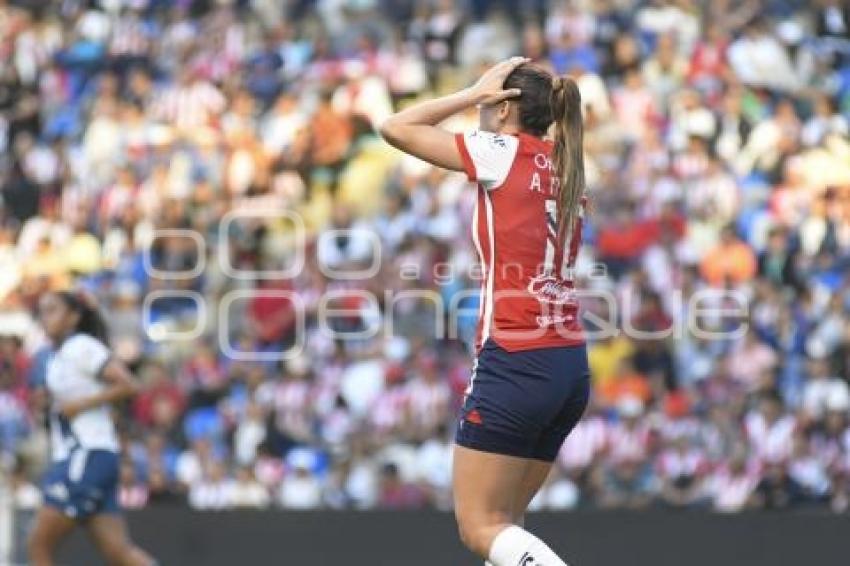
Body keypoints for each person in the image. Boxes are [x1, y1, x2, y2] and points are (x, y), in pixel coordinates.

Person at [381, 56, 589, 566]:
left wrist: (471, 92)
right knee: (507, 531)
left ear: (503, 107)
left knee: (480, 527)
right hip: (567, 365)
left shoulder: (502, 151)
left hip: (517, 358)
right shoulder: (565, 165)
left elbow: (395, 127)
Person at [27, 290, 155, 566]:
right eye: (42, 311)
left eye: (53, 310)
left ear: (73, 317)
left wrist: (82, 404)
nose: (45, 318)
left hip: (85, 456)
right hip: (93, 455)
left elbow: (129, 384)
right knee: (118, 553)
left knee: (39, 544)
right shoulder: (55, 357)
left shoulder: (81, 346)